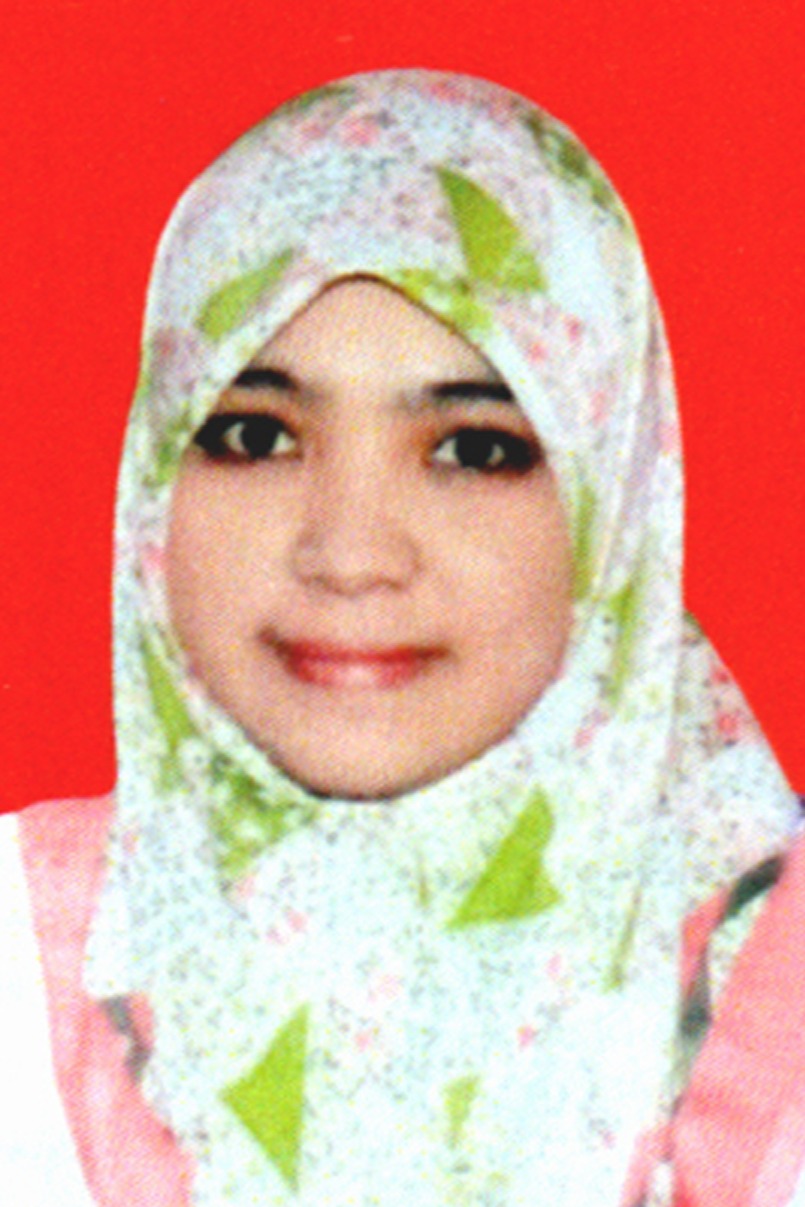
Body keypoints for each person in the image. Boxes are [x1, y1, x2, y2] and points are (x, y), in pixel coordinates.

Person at [0, 69, 799, 1206]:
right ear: (152, 483)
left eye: (472, 449)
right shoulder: (19, 957)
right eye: (256, 435)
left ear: (612, 504)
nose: (349, 552)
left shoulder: (773, 988)